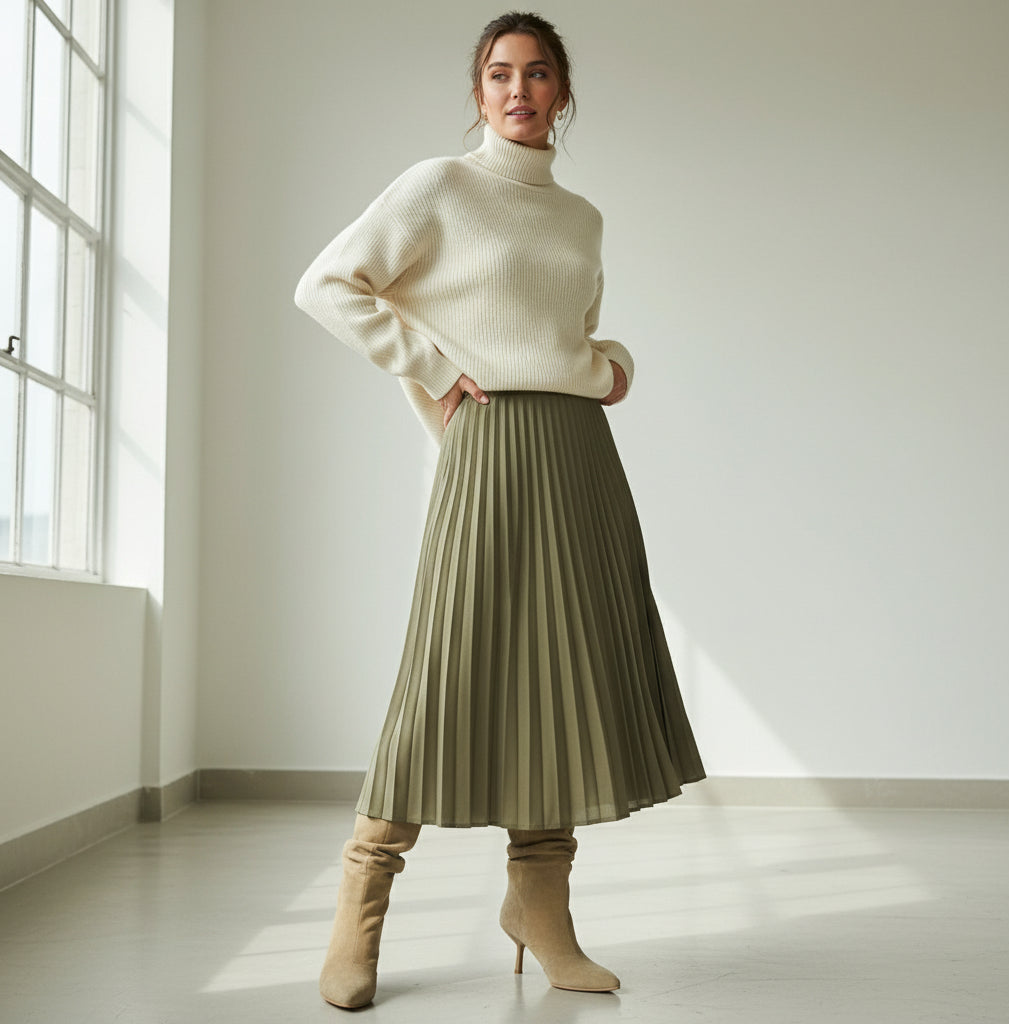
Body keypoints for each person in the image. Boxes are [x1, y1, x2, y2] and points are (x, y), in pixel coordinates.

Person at [293, 10, 706, 1010]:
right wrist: (435, 367)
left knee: (560, 676)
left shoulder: (580, 218)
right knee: (448, 670)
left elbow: (572, 334)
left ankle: (541, 907)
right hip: (488, 450)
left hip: (578, 456)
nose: (517, 90)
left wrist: (612, 368)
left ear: (562, 92)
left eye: (536, 74)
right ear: (477, 93)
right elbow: (327, 285)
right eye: (498, 74)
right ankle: (363, 901)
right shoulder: (439, 186)